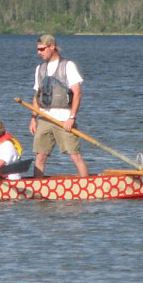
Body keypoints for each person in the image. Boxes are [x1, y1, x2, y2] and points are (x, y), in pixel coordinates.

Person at [29, 34, 88, 177]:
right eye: (38, 49)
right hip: (44, 118)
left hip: (64, 119)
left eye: (42, 49)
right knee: (40, 156)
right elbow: (37, 95)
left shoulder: (68, 66)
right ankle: (37, 186)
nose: (39, 52)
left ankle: (87, 184)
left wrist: (72, 118)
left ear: (52, 47)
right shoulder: (40, 69)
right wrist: (33, 118)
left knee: (75, 155)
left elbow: (77, 93)